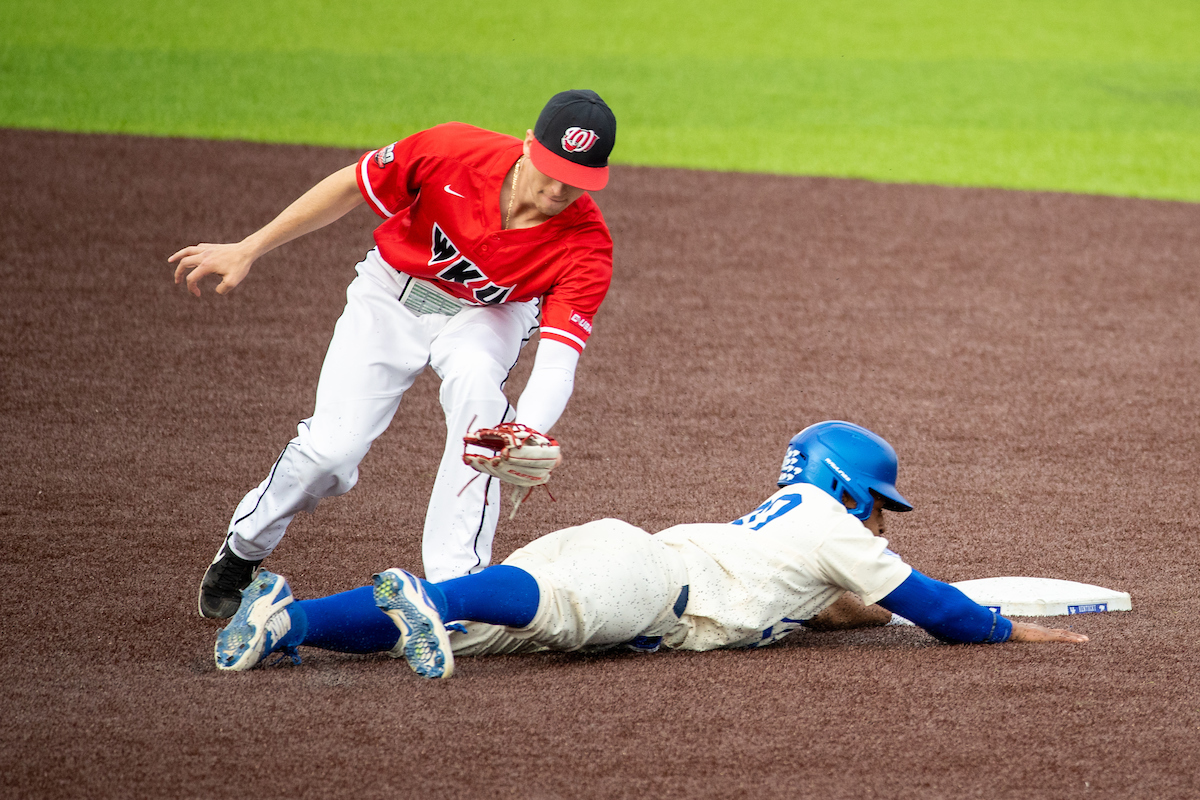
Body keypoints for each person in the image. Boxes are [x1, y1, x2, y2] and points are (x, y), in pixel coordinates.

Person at [171, 90, 618, 618]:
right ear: (527, 143)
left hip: (490, 314)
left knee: (486, 412)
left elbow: (559, 358)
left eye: (579, 178)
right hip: (392, 291)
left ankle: (458, 587)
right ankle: (244, 548)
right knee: (330, 453)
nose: (560, 186)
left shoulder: (587, 244)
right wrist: (250, 246)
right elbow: (349, 184)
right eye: (552, 168)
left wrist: (529, 433)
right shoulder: (452, 150)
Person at [210, 420, 1089, 677]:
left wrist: (858, 616)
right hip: (643, 583)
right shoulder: (830, 525)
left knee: (454, 629)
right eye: (880, 509)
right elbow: (933, 607)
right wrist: (1012, 633)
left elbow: (843, 610)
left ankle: (283, 625)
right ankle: (435, 593)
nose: (882, 526)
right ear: (851, 490)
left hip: (624, 559)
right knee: (484, 606)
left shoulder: (794, 527)